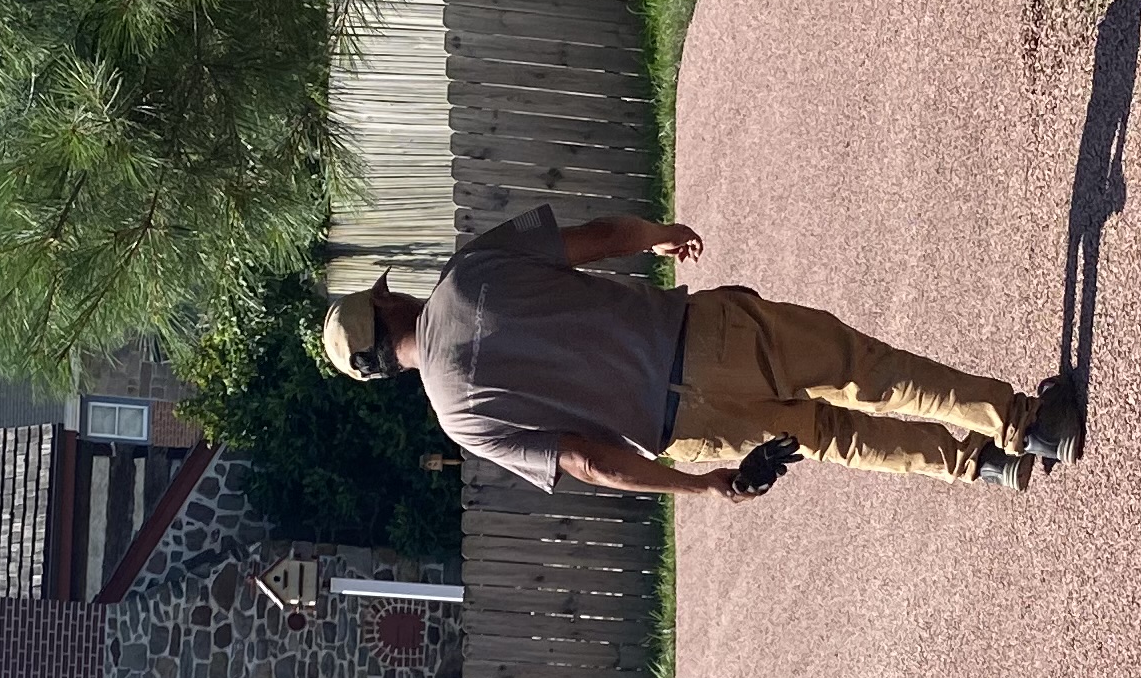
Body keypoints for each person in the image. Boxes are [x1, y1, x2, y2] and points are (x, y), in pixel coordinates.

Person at [319, 208, 1087, 497]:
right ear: (386, 305)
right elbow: (597, 240)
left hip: (685, 431)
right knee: (864, 369)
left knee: (832, 439)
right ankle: (1024, 423)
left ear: (382, 371)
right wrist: (659, 235)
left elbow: (589, 460)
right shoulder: (470, 273)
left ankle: (982, 466)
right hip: (700, 340)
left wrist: (703, 483)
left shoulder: (458, 420)